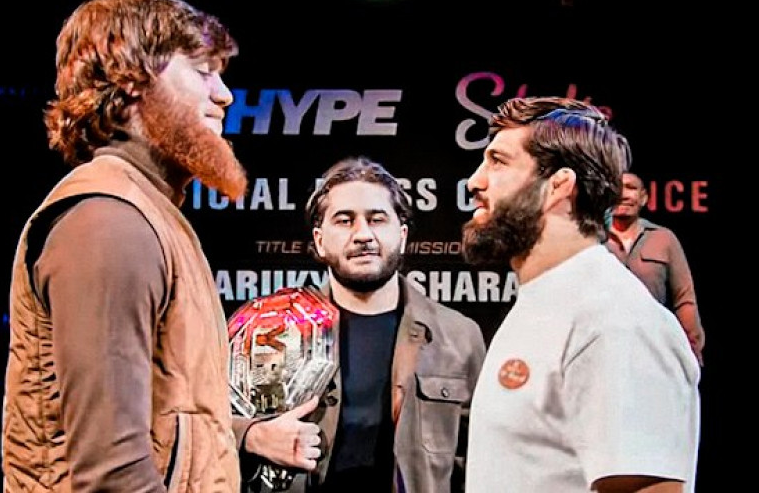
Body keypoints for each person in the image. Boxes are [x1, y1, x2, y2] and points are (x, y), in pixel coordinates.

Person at [1, 0, 246, 492]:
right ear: (130, 78)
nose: (223, 94)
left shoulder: (148, 211)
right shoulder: (109, 220)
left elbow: (176, 420)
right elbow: (113, 477)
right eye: (203, 71)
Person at [461, 97, 700, 492]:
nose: (475, 182)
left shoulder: (615, 320)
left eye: (498, 162)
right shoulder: (549, 303)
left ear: (559, 186)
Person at [232, 157, 487, 492]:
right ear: (320, 240)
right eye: (345, 220)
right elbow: (202, 423)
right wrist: (252, 436)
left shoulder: (459, 336)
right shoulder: (268, 330)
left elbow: (483, 459)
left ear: (402, 235)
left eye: (377, 219)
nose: (363, 235)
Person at [605, 171, 705, 365]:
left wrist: (691, 346)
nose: (623, 194)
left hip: (653, 345)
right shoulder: (592, 239)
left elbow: (684, 299)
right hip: (604, 343)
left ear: (644, 198)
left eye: (631, 188)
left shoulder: (663, 238)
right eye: (617, 188)